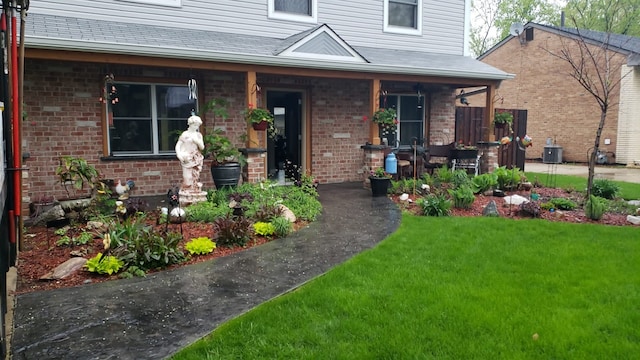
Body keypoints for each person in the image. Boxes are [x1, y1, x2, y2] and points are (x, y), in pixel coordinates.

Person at [175, 115, 205, 192]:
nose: (196, 127)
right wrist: (179, 155)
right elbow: (178, 145)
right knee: (187, 178)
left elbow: (202, 147)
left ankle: (194, 192)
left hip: (195, 158)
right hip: (187, 158)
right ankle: (186, 192)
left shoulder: (198, 135)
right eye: (195, 125)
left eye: (197, 125)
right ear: (190, 124)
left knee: (195, 176)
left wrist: (197, 141)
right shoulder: (185, 134)